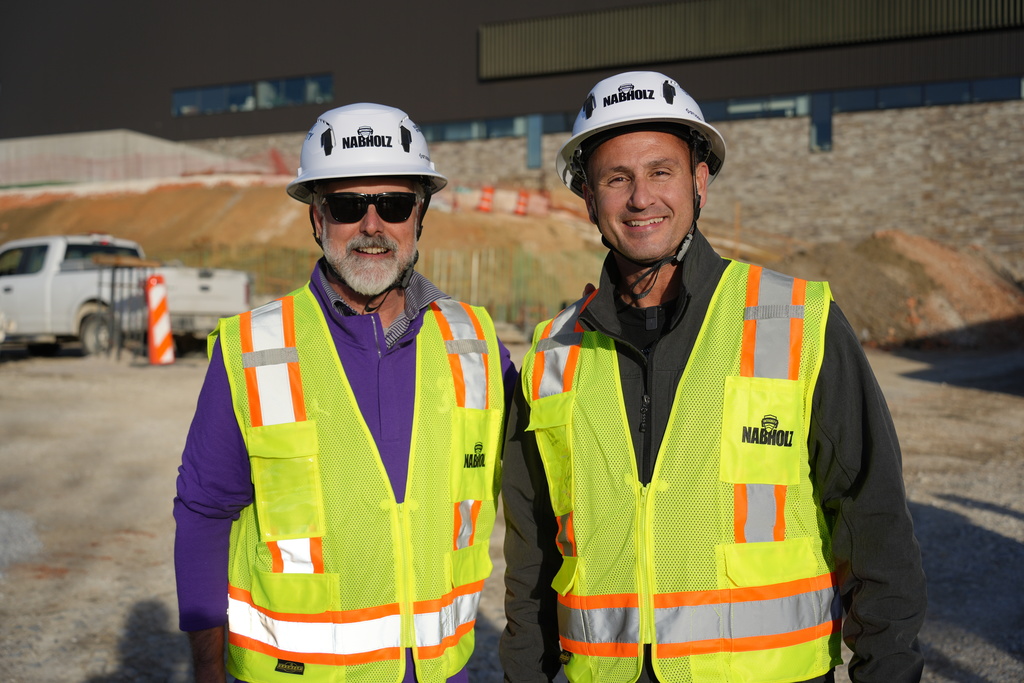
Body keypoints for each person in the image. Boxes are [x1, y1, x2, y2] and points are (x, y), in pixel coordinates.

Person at [500, 71, 927, 683]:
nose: (641, 198)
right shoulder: (552, 352)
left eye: (661, 172)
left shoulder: (795, 320)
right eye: (617, 178)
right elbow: (533, 555)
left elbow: (872, 518)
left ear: (699, 181)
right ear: (589, 198)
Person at [174, 102, 515, 683]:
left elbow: (554, 484)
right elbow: (204, 514)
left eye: (395, 204)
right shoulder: (254, 350)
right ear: (317, 218)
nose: (372, 226)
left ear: (420, 214)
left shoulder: (477, 345)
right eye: (348, 206)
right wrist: (207, 670)